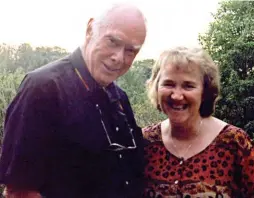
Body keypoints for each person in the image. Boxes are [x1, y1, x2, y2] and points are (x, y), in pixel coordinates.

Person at [0, 3, 147, 198]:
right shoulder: (43, 88)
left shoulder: (120, 98)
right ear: (90, 30)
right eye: (112, 42)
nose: (118, 58)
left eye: (131, 51)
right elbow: (20, 191)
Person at [142, 46, 254, 197]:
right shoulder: (144, 143)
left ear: (205, 91)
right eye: (168, 84)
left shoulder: (236, 144)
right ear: (156, 88)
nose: (177, 95)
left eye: (188, 86)